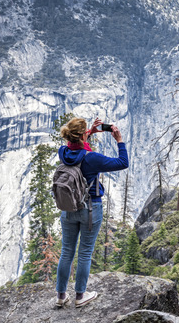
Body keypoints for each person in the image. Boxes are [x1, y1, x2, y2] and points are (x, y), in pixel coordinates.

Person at [55, 117, 128, 308]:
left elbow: (76, 147)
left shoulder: (63, 152)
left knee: (66, 252)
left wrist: (90, 133)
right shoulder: (92, 158)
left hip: (68, 209)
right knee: (85, 253)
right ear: (82, 136)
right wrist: (119, 140)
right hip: (90, 208)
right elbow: (122, 162)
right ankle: (80, 296)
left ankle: (61, 296)